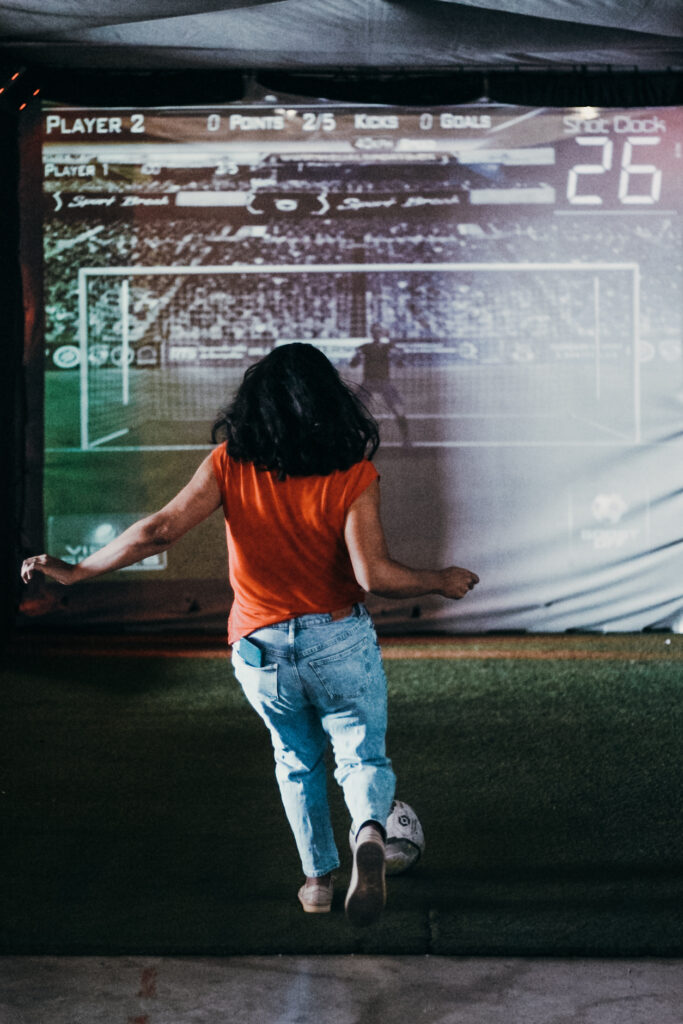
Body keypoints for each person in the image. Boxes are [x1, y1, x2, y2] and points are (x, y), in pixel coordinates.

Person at [21, 342, 479, 927]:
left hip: (261, 648)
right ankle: (369, 830)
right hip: (338, 637)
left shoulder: (229, 462)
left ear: (256, 401)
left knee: (296, 761)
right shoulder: (354, 472)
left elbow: (160, 530)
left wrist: (78, 571)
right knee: (360, 753)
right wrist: (439, 579)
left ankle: (317, 882)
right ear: (330, 400)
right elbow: (374, 576)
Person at [349, 323, 411, 447]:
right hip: (369, 382)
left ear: (382, 333)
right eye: (375, 331)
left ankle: (406, 439)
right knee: (356, 411)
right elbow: (353, 365)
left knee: (398, 410)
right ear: (371, 333)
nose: (377, 334)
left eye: (379, 331)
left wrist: (397, 357)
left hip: (384, 382)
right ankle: (353, 440)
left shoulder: (389, 347)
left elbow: (401, 364)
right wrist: (357, 357)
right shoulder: (364, 347)